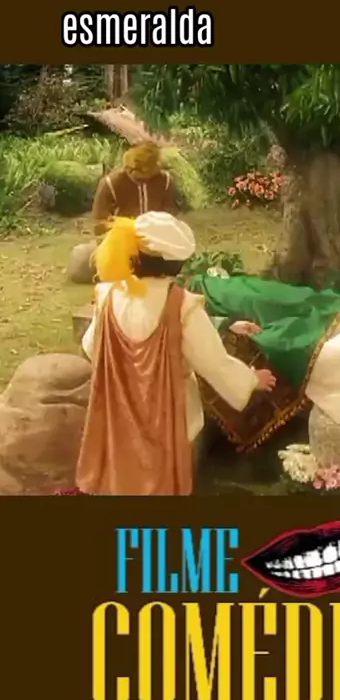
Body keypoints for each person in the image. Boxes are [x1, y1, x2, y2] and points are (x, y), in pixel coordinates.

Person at [77, 212, 276, 496]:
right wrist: (252, 379)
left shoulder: (108, 295)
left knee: (124, 482)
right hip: (170, 417)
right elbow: (214, 363)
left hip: (119, 413)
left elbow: (90, 346)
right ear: (176, 265)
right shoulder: (182, 306)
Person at [187, 272, 340, 427]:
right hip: (203, 306)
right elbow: (186, 327)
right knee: (280, 333)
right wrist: (226, 325)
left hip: (202, 288)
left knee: (283, 297)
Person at [91, 143, 179, 239]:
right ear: (129, 169)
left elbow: (169, 215)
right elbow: (99, 224)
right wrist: (124, 227)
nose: (144, 177)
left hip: (156, 238)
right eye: (141, 172)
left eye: (149, 171)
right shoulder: (110, 183)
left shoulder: (164, 180)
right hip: (121, 239)